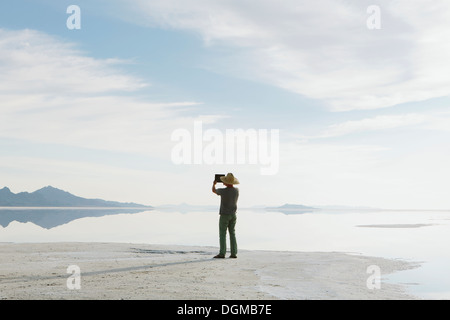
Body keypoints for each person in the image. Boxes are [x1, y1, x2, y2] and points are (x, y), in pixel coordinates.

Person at [212, 173, 239, 259]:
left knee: (223, 234)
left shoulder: (223, 191)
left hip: (224, 215)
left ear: (226, 182)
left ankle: (222, 253)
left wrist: (214, 184)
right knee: (232, 233)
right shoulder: (236, 190)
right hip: (233, 215)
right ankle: (234, 253)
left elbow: (214, 190)